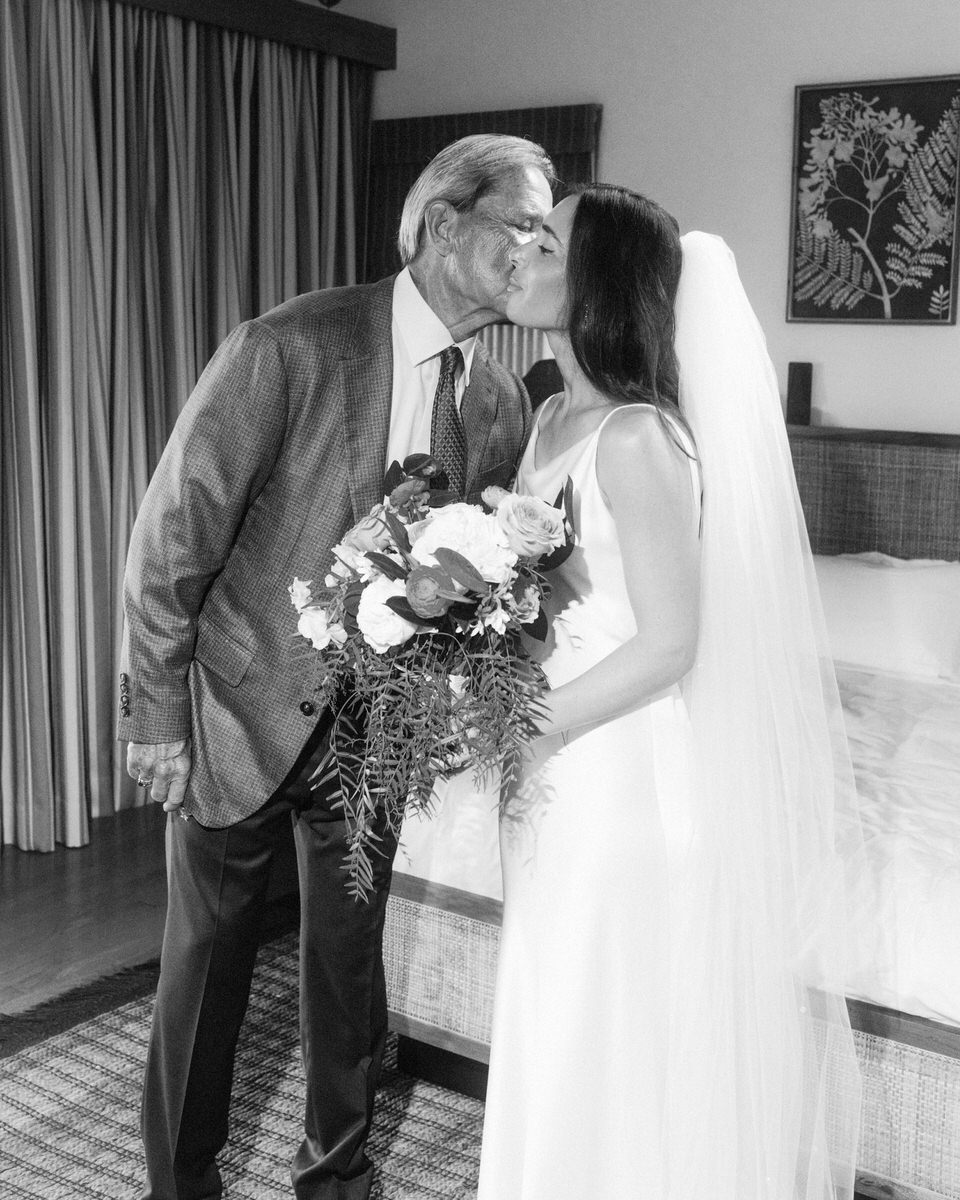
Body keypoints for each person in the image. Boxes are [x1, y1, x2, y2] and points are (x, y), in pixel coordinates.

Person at [118, 133, 554, 1200]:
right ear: (445, 224)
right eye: (523, 226)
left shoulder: (496, 402)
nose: (538, 251)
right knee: (206, 971)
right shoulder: (291, 345)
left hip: (373, 731)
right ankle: (179, 1182)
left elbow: (471, 581)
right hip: (233, 709)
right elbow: (174, 535)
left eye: (547, 233)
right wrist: (154, 714)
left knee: (346, 969)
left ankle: (338, 1175)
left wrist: (455, 684)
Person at [476, 185, 862, 1199]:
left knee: (603, 1004)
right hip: (551, 754)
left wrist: (532, 728)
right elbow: (540, 588)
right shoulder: (553, 409)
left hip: (618, 768)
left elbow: (671, 643)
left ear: (596, 279)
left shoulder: (645, 439)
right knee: (555, 996)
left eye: (546, 240)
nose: (523, 253)